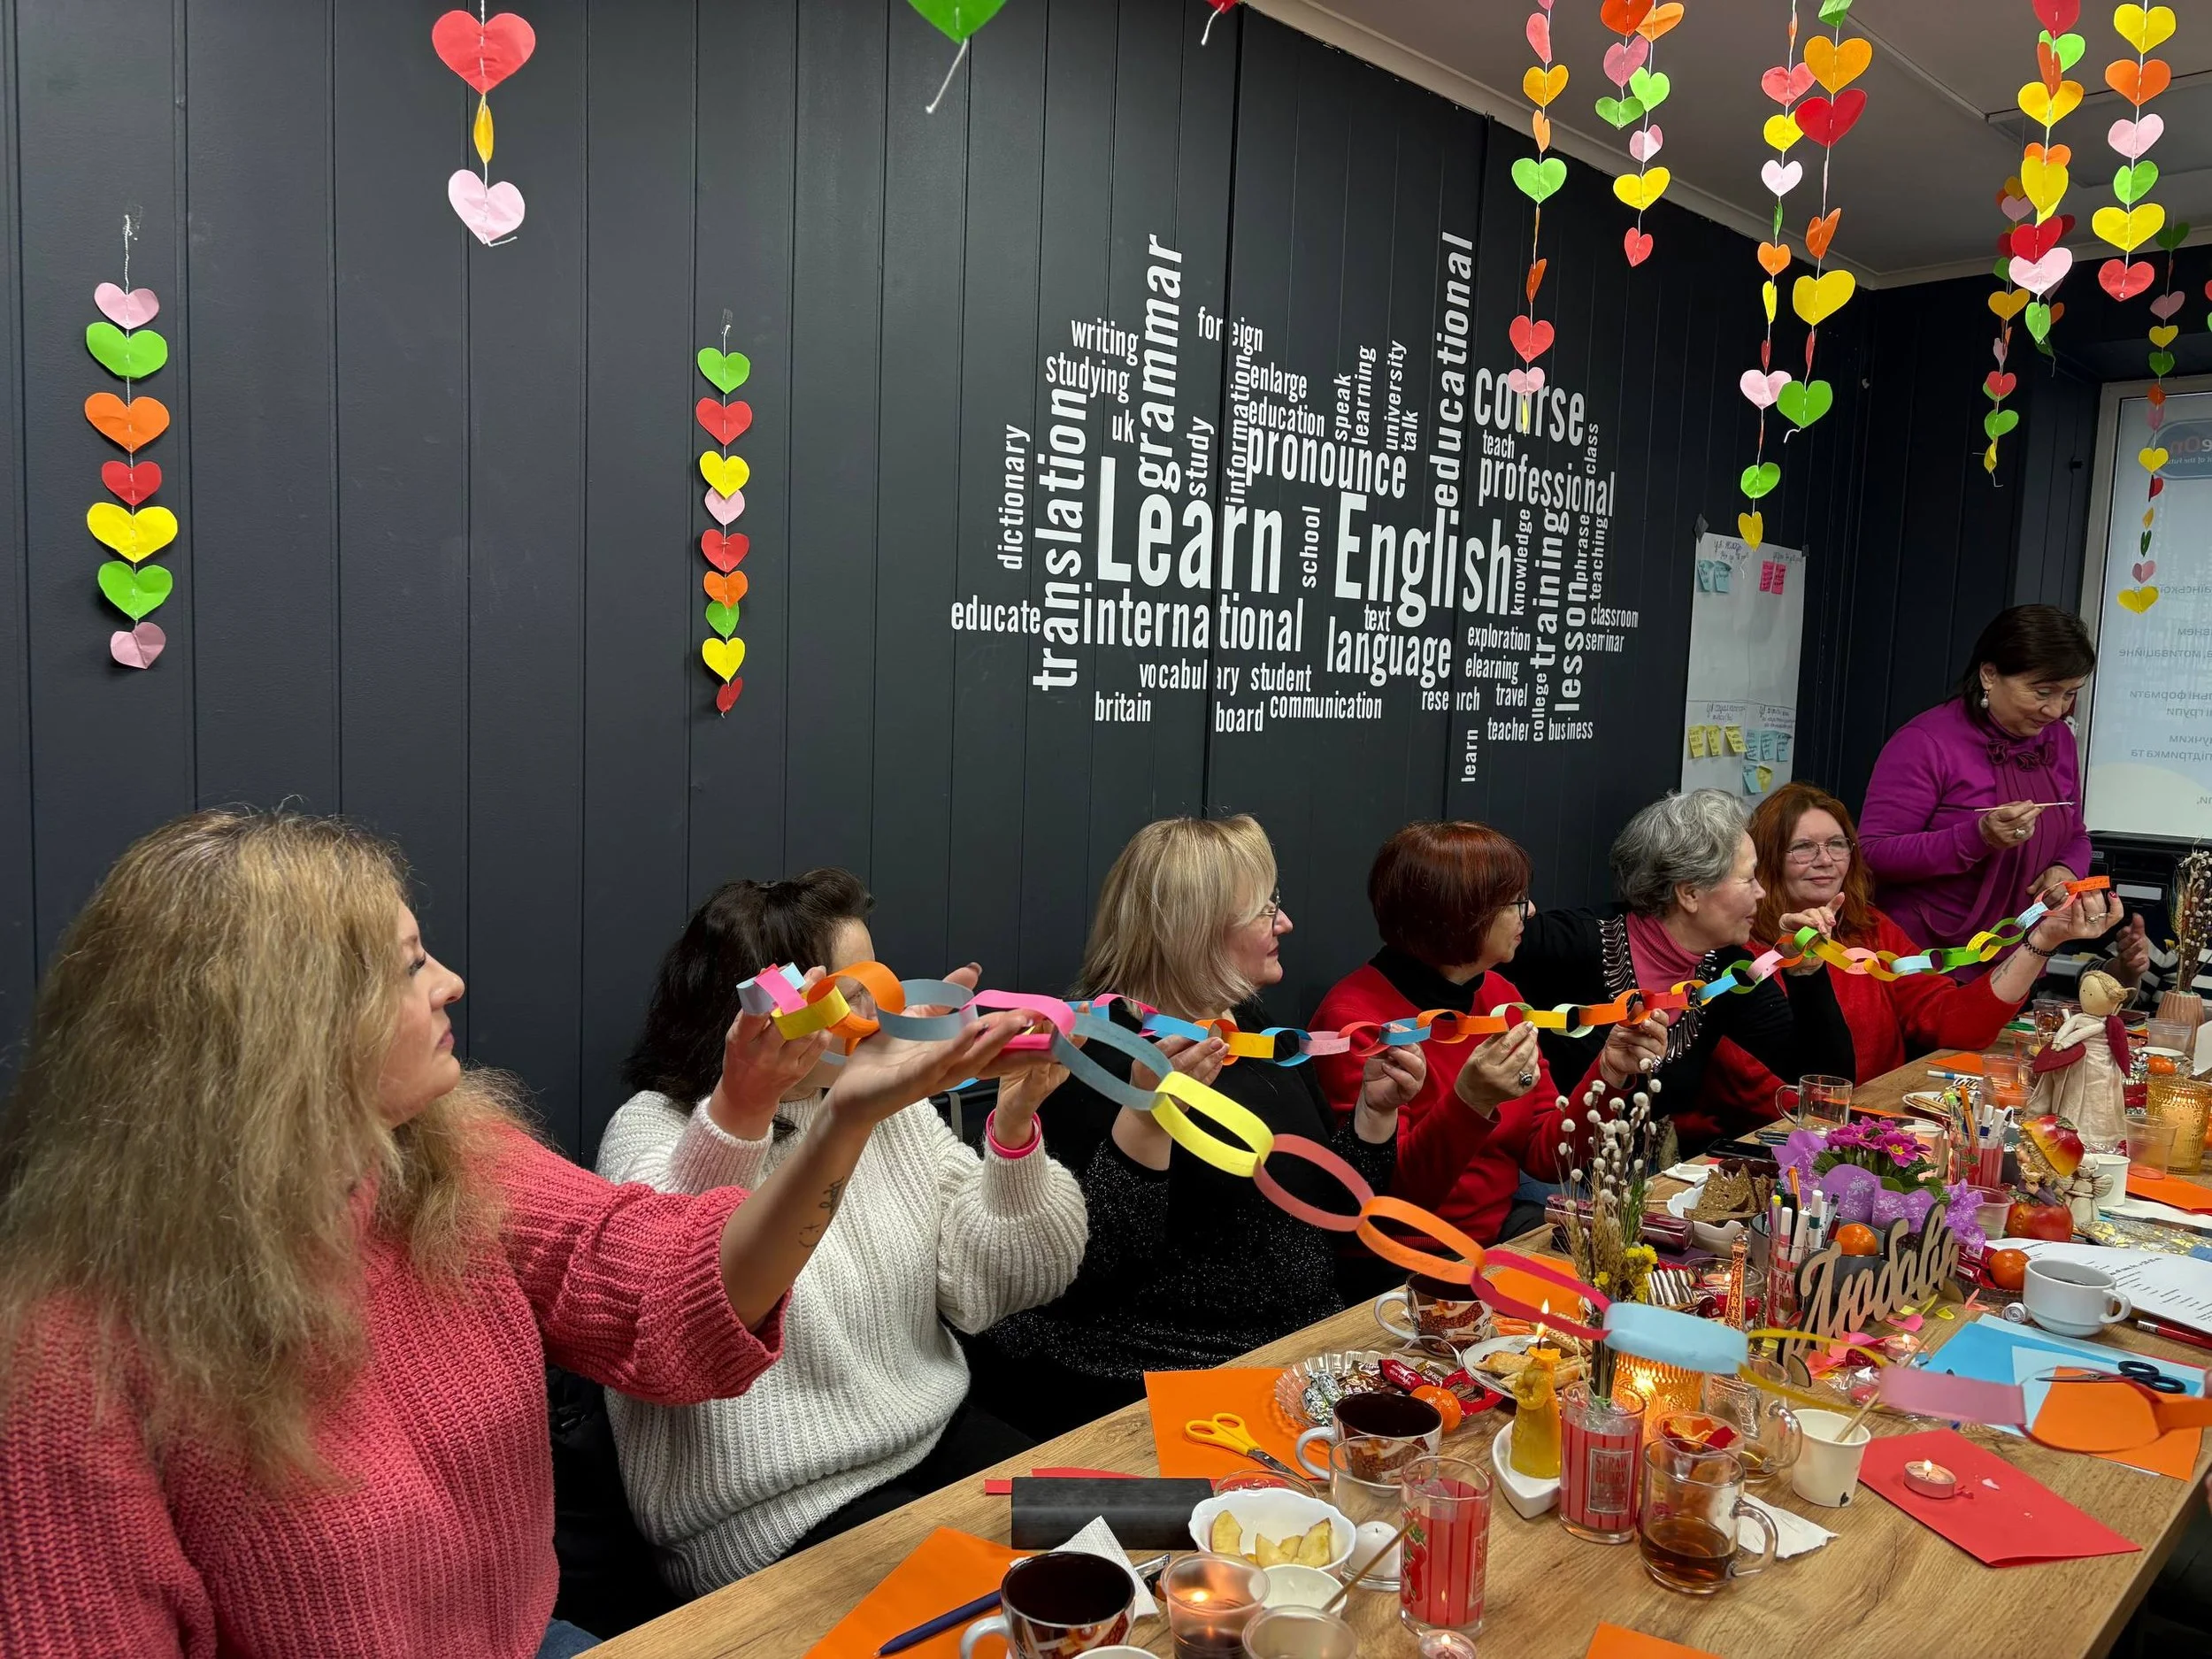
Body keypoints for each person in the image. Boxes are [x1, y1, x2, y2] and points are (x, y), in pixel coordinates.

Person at [0, 810, 1039, 1659]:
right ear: (282, 1030)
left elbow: (672, 1298)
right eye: (408, 968)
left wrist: (845, 1122)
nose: (449, 982)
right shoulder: (70, 1352)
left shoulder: (457, 1161)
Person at [596, 872, 1087, 1593]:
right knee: (993, 1613)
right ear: (774, 1009)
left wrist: (1013, 1129)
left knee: (1123, 1536)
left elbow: (1002, 1284)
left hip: (934, 1438)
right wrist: (746, 1105)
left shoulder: (882, 1106)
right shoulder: (648, 1130)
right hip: (777, 1510)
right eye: (856, 994)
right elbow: (675, 1299)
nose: (881, 1012)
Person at [979, 815, 1483, 1440]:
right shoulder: (1090, 1061)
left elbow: (1322, 1210)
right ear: (1198, 930)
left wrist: (1375, 1114)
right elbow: (1084, 1275)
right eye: (1265, 909)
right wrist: (1146, 1120)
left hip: (1297, 1352)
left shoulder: (1251, 1028)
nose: (1284, 923)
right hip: (1169, 1382)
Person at [1311, 821, 1671, 1245]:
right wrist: (1471, 1102)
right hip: (1405, 1262)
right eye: (1515, 902)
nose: (1531, 912)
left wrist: (1609, 1074)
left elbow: (1545, 1155)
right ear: (1460, 917)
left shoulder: (1498, 993)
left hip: (1500, 1237)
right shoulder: (1356, 1022)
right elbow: (1393, 1208)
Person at [1703, 782, 2127, 1133]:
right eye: (1803, 848)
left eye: (1836, 844)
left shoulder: (1870, 930)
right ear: (1765, 861)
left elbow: (1955, 1022)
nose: (1826, 860)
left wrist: (2043, 939)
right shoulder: (1740, 950)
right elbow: (1756, 1092)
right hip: (1787, 1140)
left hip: (1874, 1130)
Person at [1509, 788, 1856, 1151]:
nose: (1762, 893)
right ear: (1690, 893)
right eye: (1748, 878)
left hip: (1653, 1178)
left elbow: (1827, 1081)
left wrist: (1806, 972)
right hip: (1552, 1169)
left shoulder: (1724, 968)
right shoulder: (1565, 942)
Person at [1860, 603, 2148, 983]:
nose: (2055, 710)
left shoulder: (2057, 739)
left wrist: (2064, 869)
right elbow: (1873, 853)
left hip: (2019, 959)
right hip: (1924, 962)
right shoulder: (1925, 742)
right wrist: (1977, 837)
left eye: (2069, 694)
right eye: (2043, 691)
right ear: (1990, 674)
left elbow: (2074, 832)